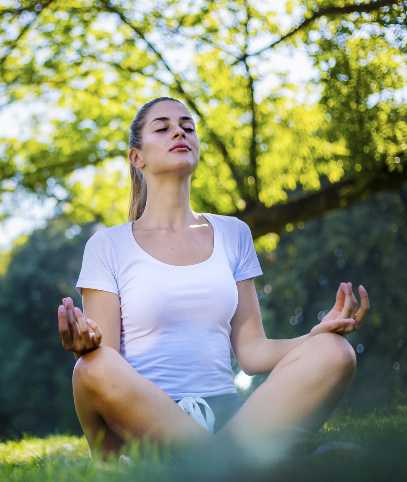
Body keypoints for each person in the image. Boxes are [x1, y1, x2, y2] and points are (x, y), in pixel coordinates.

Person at [56, 96, 370, 463]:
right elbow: (107, 361)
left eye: (187, 126)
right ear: (136, 158)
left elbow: (253, 352)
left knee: (335, 352)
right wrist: (87, 344)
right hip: (146, 418)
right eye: (163, 127)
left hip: (228, 418)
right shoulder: (107, 245)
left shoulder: (233, 234)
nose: (179, 131)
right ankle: (253, 464)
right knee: (92, 367)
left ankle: (217, 462)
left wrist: (315, 336)